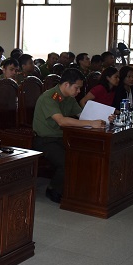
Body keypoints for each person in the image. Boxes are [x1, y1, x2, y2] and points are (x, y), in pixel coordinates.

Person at [33, 68, 108, 203]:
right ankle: (53, 190)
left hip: (62, 137)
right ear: (66, 84)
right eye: (77, 88)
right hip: (45, 140)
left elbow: (82, 116)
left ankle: (77, 189)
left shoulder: (69, 98)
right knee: (67, 161)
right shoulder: (49, 97)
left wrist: (104, 119)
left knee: (83, 154)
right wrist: (91, 123)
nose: (79, 91)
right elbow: (61, 121)